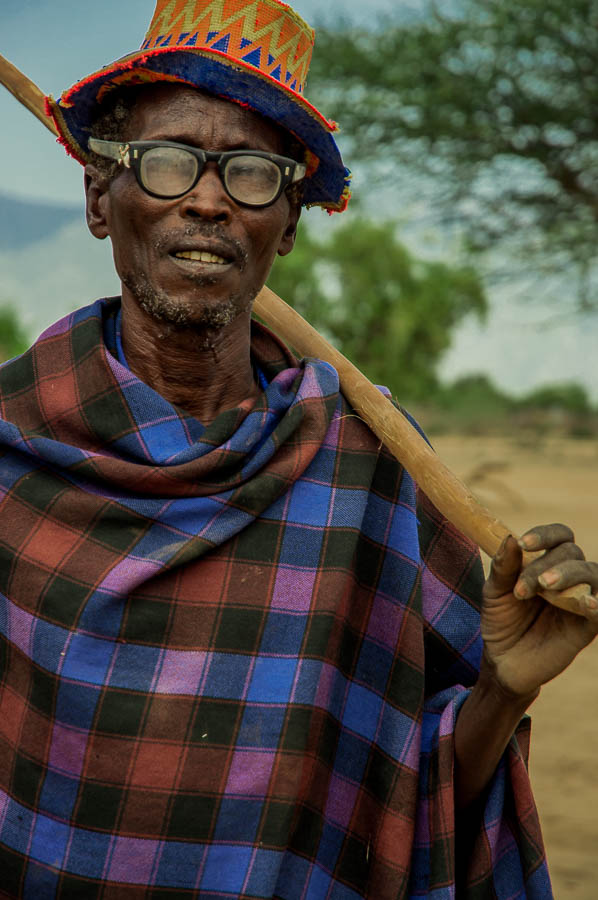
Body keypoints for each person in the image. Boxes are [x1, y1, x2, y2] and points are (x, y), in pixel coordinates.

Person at [0, 1, 597, 897]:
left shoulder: (365, 459)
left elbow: (414, 797)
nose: (207, 198)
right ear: (99, 200)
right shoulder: (12, 439)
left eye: (249, 174)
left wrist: (503, 690)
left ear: (286, 225)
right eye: (166, 163)